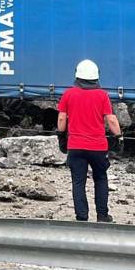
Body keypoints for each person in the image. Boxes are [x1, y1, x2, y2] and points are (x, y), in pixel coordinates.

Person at [57, 59, 123, 222]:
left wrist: (61, 135)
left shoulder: (68, 94)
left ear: (77, 76)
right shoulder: (102, 95)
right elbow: (111, 120)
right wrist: (119, 137)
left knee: (78, 182)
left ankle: (82, 217)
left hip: (76, 146)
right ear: (96, 77)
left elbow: (61, 119)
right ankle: (102, 215)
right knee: (100, 179)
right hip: (98, 147)